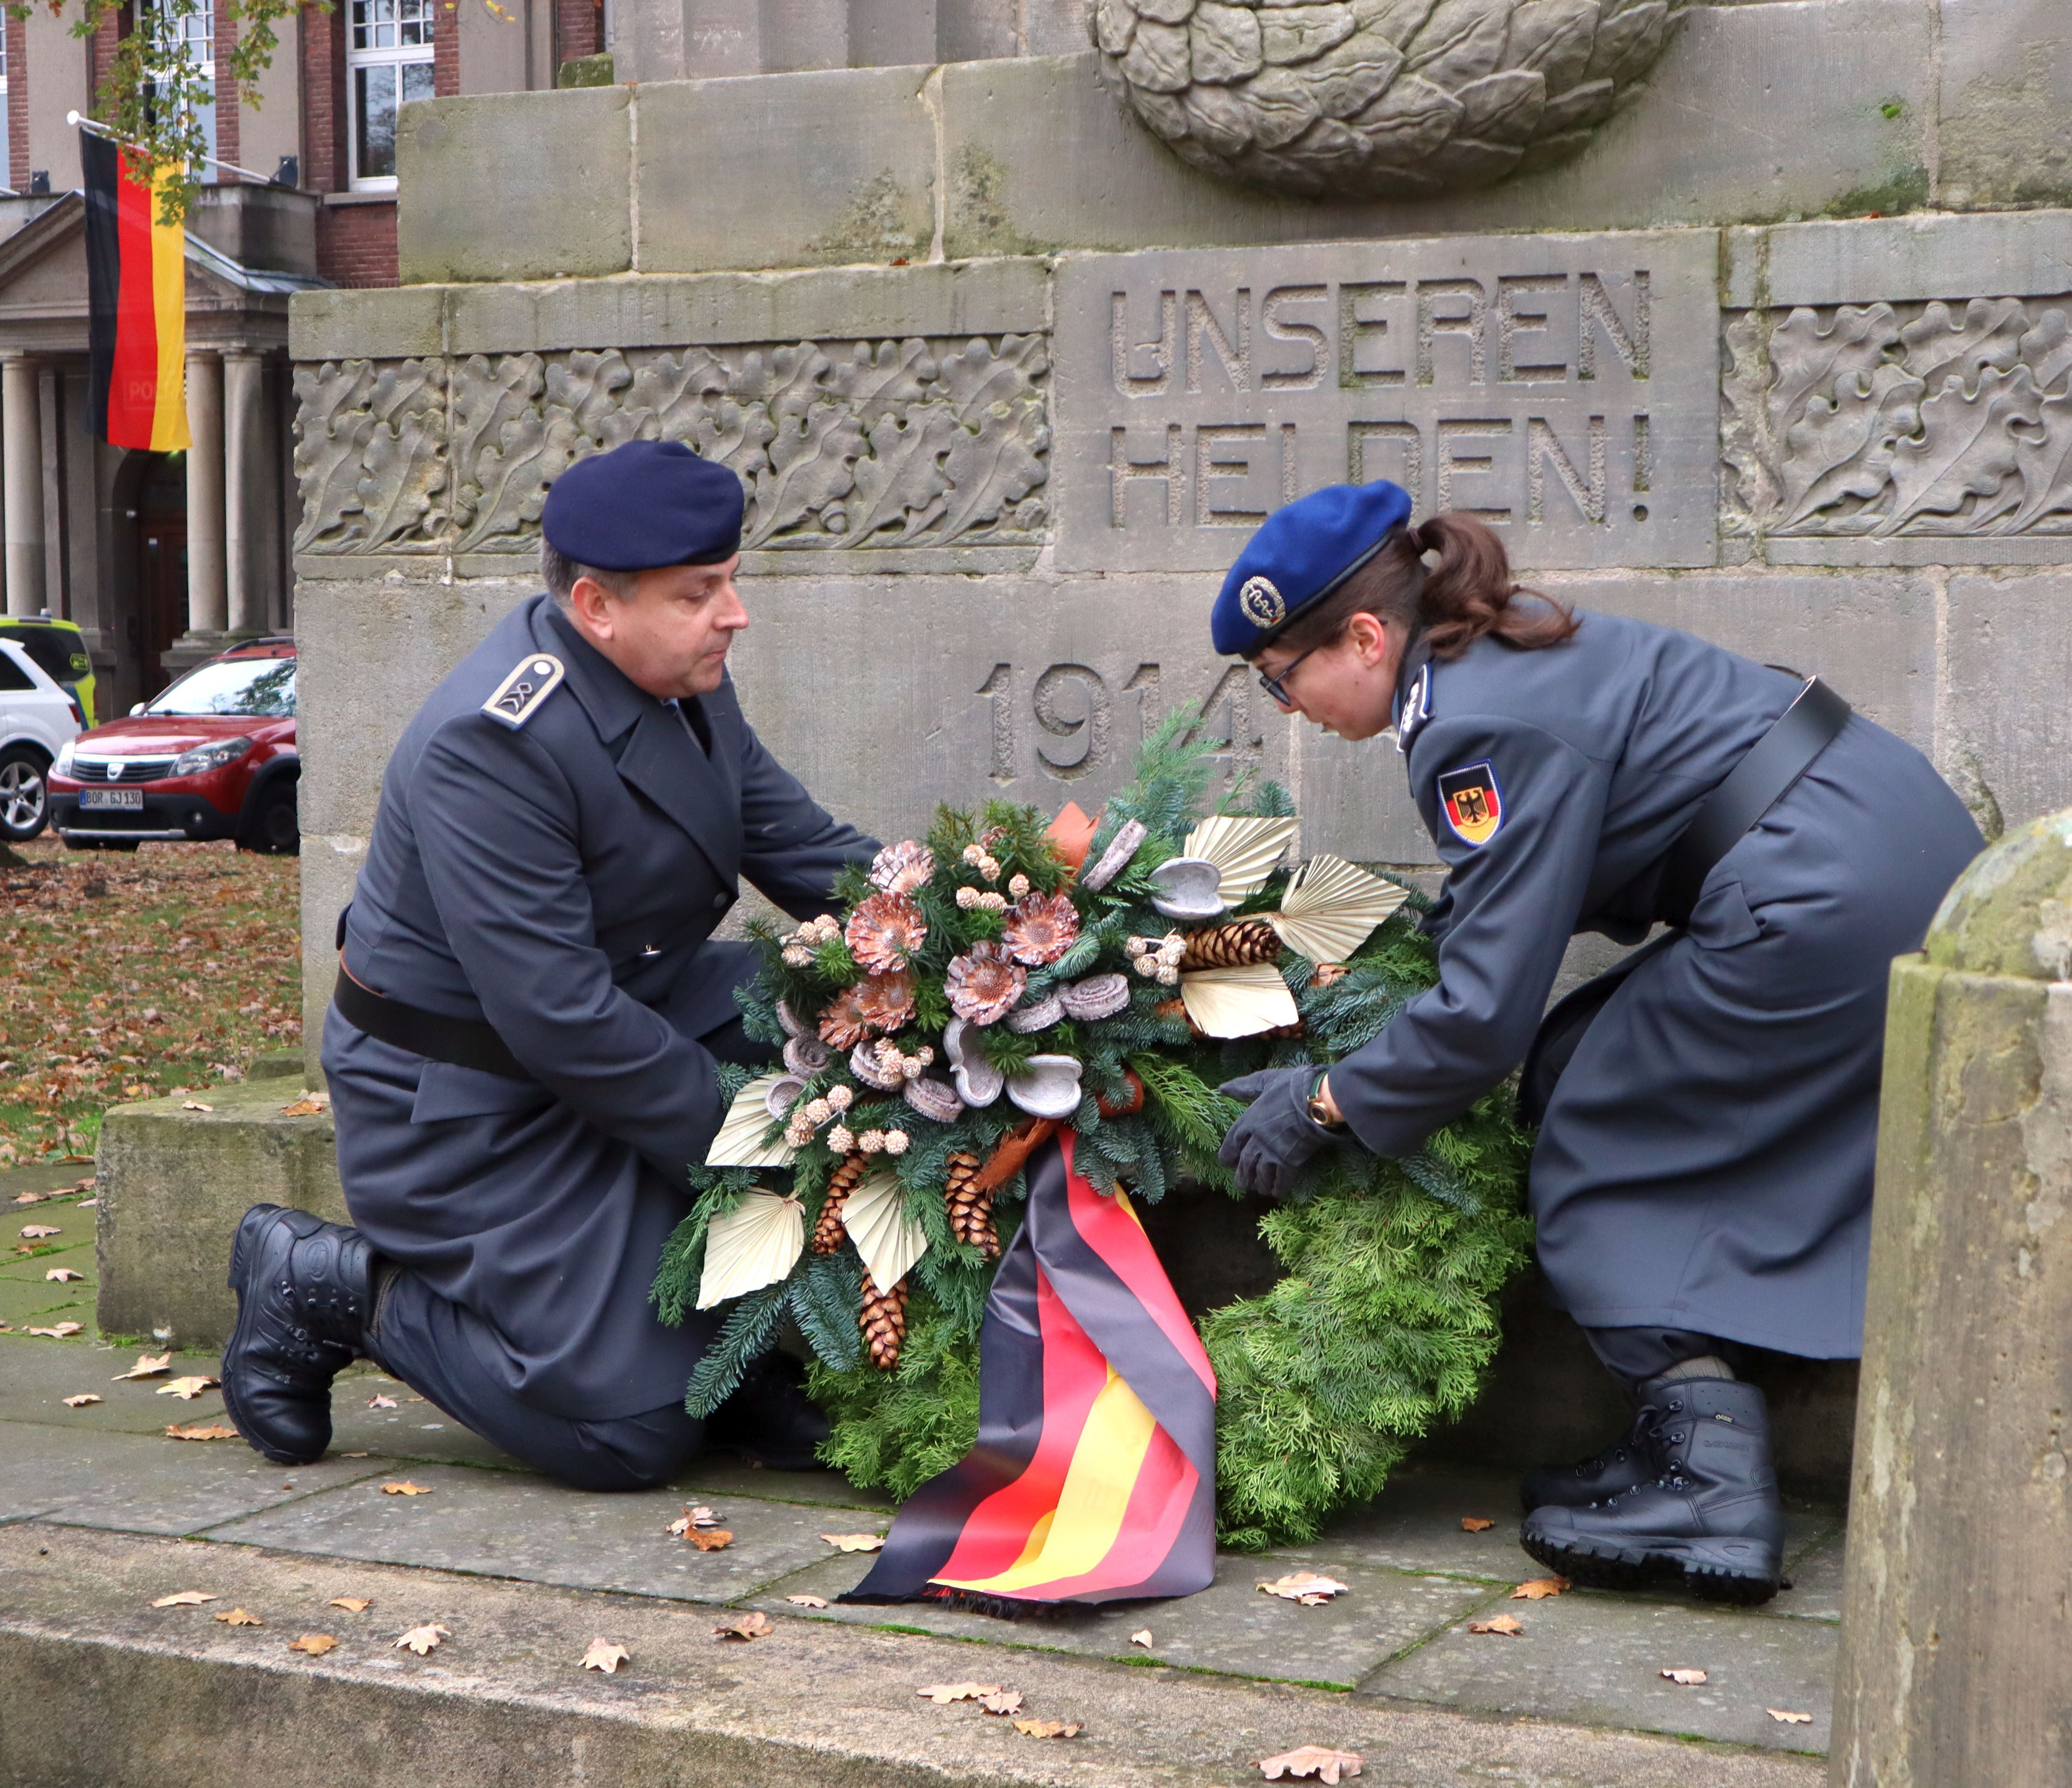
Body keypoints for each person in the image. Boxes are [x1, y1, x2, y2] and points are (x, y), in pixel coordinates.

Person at [1211, 479, 1982, 1604]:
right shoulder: (1491, 652)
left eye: (1280, 677)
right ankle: (1684, 1429)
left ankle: (1709, 1481)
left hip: (1822, 895)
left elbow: (1482, 1020)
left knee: (1591, 1134)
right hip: (1880, 843)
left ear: (1364, 635)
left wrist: (1324, 1099)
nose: (1285, 708)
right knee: (1583, 1052)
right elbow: (1534, 884)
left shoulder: (1467, 724)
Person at [219, 440, 877, 1491]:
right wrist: (754, 1153)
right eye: (699, 591)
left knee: (841, 1021)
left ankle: (717, 1341)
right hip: (470, 1108)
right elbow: (559, 1017)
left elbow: (809, 851)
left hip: (615, 1028)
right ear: (596, 605)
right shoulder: (494, 742)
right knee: (628, 1437)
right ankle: (333, 1285)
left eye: (730, 582)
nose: (733, 612)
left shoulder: (681, 681)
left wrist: (996, 916)